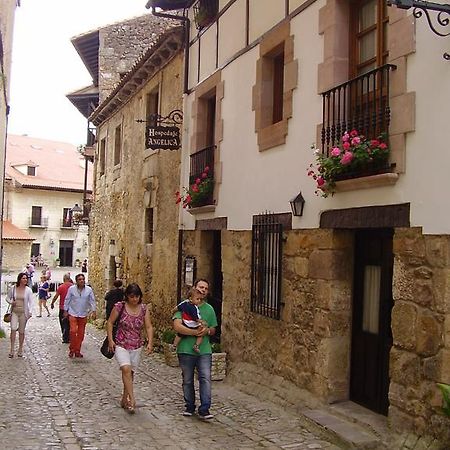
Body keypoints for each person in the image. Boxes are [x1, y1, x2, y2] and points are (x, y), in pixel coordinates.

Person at [173, 278, 217, 420]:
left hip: (204, 350)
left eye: (205, 288)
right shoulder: (185, 306)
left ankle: (204, 409)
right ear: (194, 288)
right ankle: (190, 406)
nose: (203, 290)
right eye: (200, 287)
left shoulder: (209, 309)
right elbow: (177, 326)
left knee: (205, 378)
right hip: (186, 349)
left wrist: (207, 332)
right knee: (187, 379)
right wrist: (195, 332)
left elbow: (213, 329)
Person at [107, 283, 153, 414]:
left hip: (136, 345)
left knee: (130, 373)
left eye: (137, 296)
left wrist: (150, 342)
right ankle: (132, 399)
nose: (134, 299)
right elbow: (110, 322)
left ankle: (124, 398)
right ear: (127, 296)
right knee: (125, 368)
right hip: (121, 343)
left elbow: (148, 326)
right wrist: (111, 340)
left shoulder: (144, 309)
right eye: (132, 296)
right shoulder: (119, 307)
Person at [63, 273, 96, 358]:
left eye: (83, 279)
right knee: (73, 331)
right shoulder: (71, 289)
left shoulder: (89, 290)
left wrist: (94, 311)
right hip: (73, 312)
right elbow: (67, 299)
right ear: (76, 281)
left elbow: (92, 300)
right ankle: (72, 349)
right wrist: (65, 310)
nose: (82, 281)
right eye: (80, 279)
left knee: (81, 334)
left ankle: (77, 350)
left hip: (83, 313)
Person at [6, 272, 34, 358]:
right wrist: (11, 302)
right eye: (23, 278)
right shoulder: (13, 288)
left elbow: (31, 302)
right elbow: (7, 298)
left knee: (21, 331)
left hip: (23, 313)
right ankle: (11, 349)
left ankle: (20, 349)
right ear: (19, 279)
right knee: (13, 329)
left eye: (26, 278)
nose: (25, 280)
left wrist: (30, 312)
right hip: (14, 311)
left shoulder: (28, 290)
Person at [173, 289, 208, 353]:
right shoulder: (194, 308)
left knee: (179, 335)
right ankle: (196, 345)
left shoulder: (184, 304)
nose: (199, 301)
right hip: (193, 324)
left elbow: (177, 308)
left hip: (185, 322)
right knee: (201, 333)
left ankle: (174, 345)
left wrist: (173, 311)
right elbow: (196, 318)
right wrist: (202, 322)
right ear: (191, 299)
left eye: (200, 299)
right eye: (197, 299)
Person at [50, 273, 73, 343]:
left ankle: (65, 336)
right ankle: (69, 336)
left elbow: (56, 296)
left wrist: (52, 303)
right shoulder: (73, 287)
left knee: (63, 322)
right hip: (71, 308)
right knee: (70, 323)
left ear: (64, 279)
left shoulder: (61, 287)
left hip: (62, 308)